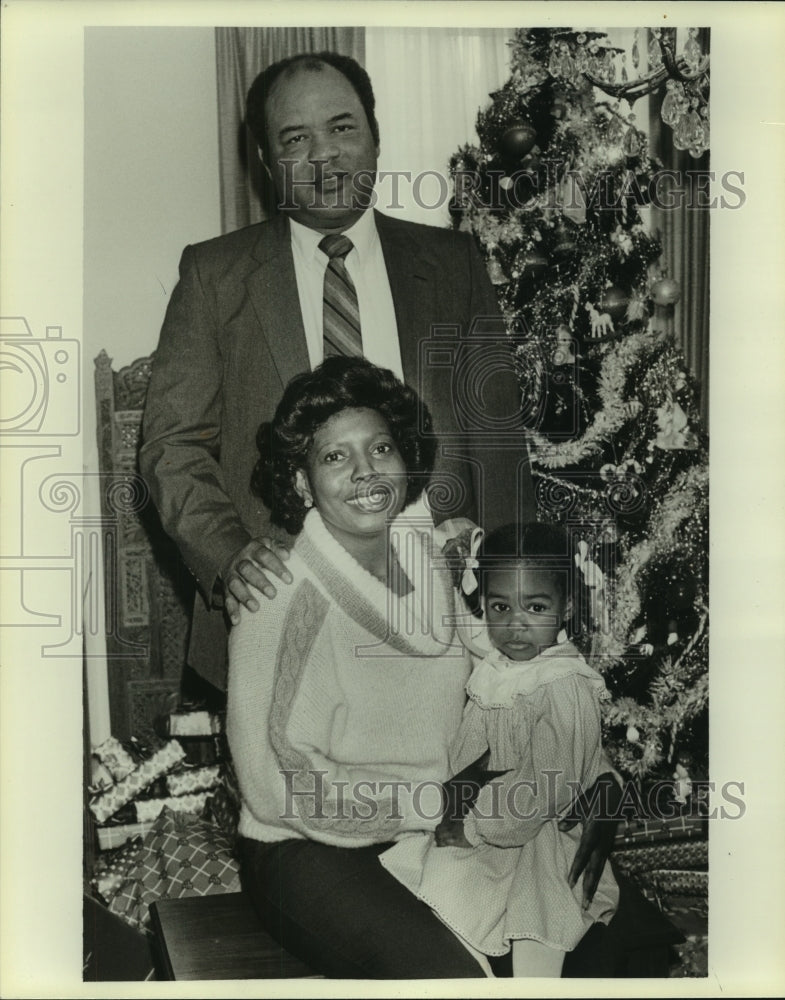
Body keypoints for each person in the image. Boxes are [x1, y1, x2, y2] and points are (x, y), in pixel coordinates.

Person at [139, 50, 532, 697]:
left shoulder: (453, 263)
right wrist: (231, 553)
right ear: (266, 163)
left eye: (342, 127)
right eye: (295, 138)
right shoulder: (214, 276)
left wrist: (507, 585)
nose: (324, 155)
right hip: (282, 607)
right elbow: (170, 445)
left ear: (374, 136)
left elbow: (497, 441)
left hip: (443, 608)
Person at [228, 356, 489, 977]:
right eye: (335, 457)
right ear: (301, 484)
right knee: (452, 979)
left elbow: (503, 679)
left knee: (579, 937)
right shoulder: (278, 594)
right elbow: (277, 784)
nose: (366, 472)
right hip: (306, 849)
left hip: (430, 828)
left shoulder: (437, 562)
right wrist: (432, 805)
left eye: (381, 449)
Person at [379, 521, 620, 978]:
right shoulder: (499, 670)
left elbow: (544, 789)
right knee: (439, 901)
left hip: (536, 835)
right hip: (494, 820)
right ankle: (474, 973)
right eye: (499, 606)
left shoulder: (562, 685)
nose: (515, 624)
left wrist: (471, 828)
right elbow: (472, 754)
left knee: (537, 930)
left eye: (536, 606)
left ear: (566, 607)